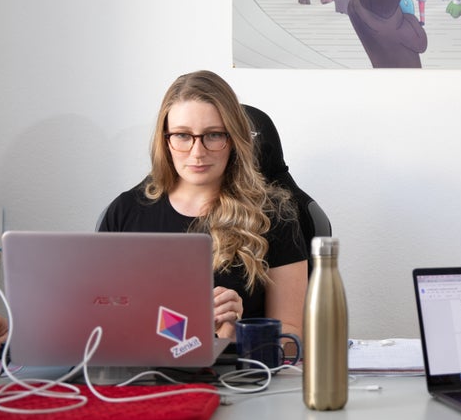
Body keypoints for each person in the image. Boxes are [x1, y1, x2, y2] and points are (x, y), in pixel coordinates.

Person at [99, 71, 307, 342]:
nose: (197, 152)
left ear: (233, 139)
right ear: (165, 140)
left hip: (239, 380)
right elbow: (102, 324)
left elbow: (292, 340)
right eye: (183, 136)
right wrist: (188, 331)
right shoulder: (125, 213)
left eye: (213, 135)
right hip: (144, 377)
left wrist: (233, 337)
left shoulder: (274, 216)